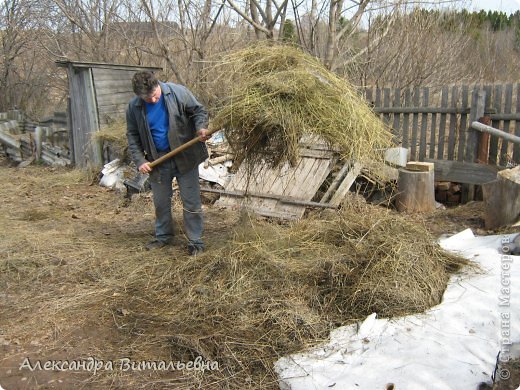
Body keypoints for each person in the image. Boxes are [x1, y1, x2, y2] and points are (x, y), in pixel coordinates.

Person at [126, 71, 210, 255]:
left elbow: (199, 111)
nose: (153, 101)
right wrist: (140, 160)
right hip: (158, 160)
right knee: (161, 202)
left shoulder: (178, 93)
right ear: (139, 97)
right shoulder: (134, 107)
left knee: (191, 201)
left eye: (155, 95)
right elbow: (132, 135)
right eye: (148, 99)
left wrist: (200, 128)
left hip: (185, 155)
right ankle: (163, 236)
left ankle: (195, 240)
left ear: (159, 86)